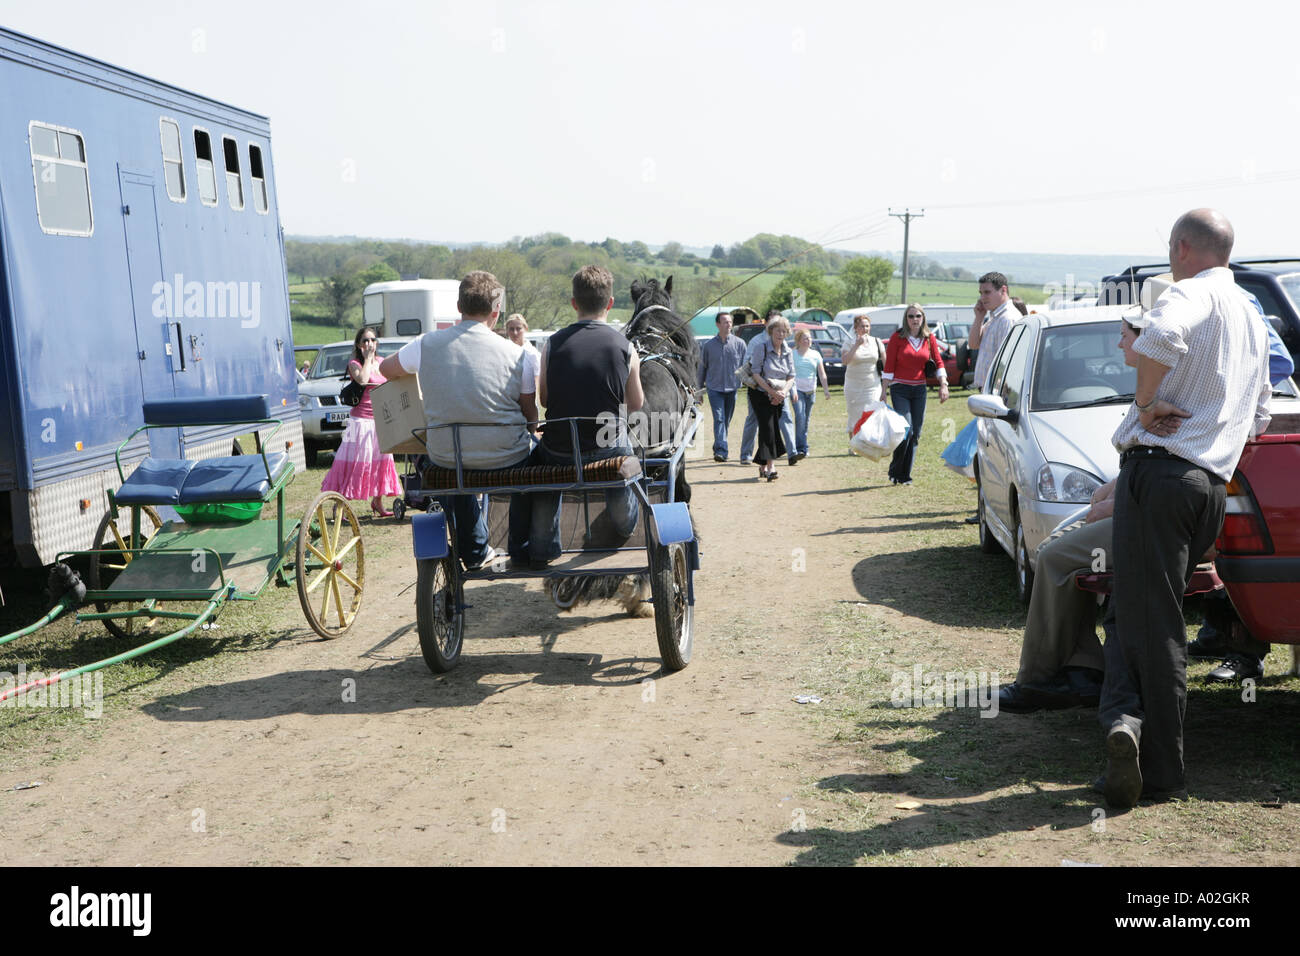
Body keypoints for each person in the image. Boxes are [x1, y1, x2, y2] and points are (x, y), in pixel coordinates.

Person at [1097, 208, 1271, 809]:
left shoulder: (1190, 293)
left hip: (1162, 475)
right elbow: (1261, 412)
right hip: (1207, 487)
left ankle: (1161, 769)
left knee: (1155, 622)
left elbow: (1159, 337)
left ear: (1181, 248)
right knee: (1132, 611)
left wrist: (1146, 404)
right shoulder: (1251, 313)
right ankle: (1124, 722)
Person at [378, 271, 536, 571]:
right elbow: (530, 414)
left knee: (452, 466)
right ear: (496, 311)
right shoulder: (519, 354)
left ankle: (474, 550)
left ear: (459, 306)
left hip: (447, 455)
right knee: (536, 458)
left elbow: (386, 369)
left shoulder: (425, 344)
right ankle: (522, 545)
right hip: (507, 456)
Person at [524, 265, 644, 569]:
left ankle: (542, 547)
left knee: (544, 461)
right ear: (610, 303)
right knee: (623, 449)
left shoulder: (552, 344)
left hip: (560, 449)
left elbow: (545, 400)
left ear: (574, 303)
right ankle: (626, 522)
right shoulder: (626, 347)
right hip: (607, 448)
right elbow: (636, 403)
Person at [320, 326, 401, 516]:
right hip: (361, 422)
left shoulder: (382, 362)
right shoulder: (355, 363)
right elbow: (363, 380)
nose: (369, 343)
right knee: (356, 463)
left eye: (372, 340)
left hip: (381, 420)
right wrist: (367, 360)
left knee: (381, 462)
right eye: (365, 340)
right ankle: (339, 506)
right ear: (358, 344)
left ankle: (378, 502)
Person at [882, 304, 948, 485]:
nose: (914, 319)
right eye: (910, 316)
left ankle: (905, 475)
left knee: (916, 433)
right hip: (900, 389)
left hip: (919, 390)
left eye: (918, 316)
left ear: (923, 318)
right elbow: (889, 365)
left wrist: (943, 385)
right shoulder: (897, 337)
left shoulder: (929, 338)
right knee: (905, 429)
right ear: (906, 318)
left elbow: (938, 362)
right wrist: (883, 390)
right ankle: (896, 471)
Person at [740, 310, 797, 465]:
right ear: (770, 330)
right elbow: (755, 372)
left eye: (784, 331)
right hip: (760, 393)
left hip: (780, 395)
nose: (781, 334)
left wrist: (783, 392)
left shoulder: (787, 350)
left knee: (771, 428)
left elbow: (791, 375)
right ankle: (765, 464)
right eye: (778, 330)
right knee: (764, 426)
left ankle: (765, 463)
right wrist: (771, 392)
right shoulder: (759, 345)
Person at [698, 310, 747, 461]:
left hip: (732, 388)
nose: (728, 325)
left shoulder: (740, 344)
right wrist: (699, 391)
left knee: (726, 420)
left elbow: (745, 366)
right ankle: (721, 451)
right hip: (714, 388)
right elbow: (702, 369)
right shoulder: (708, 346)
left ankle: (718, 444)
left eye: (730, 322)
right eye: (725, 322)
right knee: (719, 418)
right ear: (718, 324)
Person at [969, 272, 1018, 393]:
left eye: (987, 292)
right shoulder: (995, 317)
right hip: (989, 390)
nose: (982, 298)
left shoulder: (1007, 319)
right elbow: (973, 344)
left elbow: (1007, 361)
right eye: (981, 293)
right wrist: (979, 317)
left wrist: (998, 393)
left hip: (997, 391)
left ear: (1003, 290)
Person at [841, 313, 885, 443]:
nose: (865, 329)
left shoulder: (877, 341)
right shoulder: (849, 342)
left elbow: (885, 362)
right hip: (853, 385)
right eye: (861, 326)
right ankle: (854, 444)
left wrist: (887, 381)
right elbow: (845, 361)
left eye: (867, 326)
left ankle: (869, 442)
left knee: (871, 412)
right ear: (855, 328)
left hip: (872, 384)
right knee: (855, 414)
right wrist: (856, 345)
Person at [791, 329, 832, 459]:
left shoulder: (816, 354)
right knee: (800, 417)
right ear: (798, 340)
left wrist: (826, 390)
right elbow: (788, 373)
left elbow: (822, 374)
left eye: (809, 338)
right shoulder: (792, 354)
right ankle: (801, 448)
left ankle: (802, 445)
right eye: (805, 338)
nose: (808, 340)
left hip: (811, 391)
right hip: (797, 391)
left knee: (806, 419)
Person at [505, 313, 542, 433]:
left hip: (527, 399)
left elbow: (537, 380)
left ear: (525, 328)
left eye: (518, 328)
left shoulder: (532, 353)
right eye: (511, 329)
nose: (515, 333)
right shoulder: (504, 350)